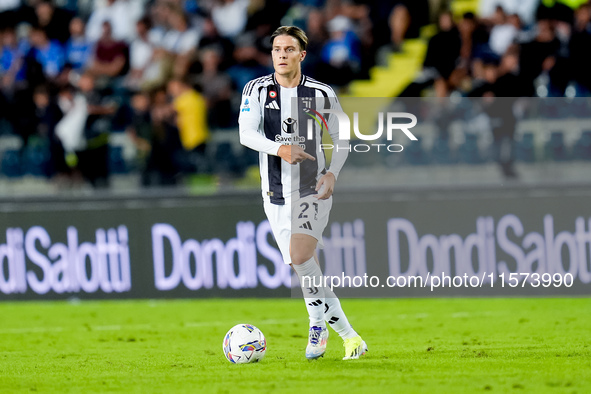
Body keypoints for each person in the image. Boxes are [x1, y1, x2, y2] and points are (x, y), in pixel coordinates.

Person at [238, 25, 367, 361]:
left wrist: (332, 174)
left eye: (289, 50)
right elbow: (246, 134)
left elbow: (342, 138)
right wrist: (279, 149)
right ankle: (349, 337)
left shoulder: (321, 93)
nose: (282, 55)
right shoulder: (256, 89)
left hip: (312, 189)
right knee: (305, 267)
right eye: (277, 49)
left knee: (300, 257)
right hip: (274, 193)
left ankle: (317, 325)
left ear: (302, 55)